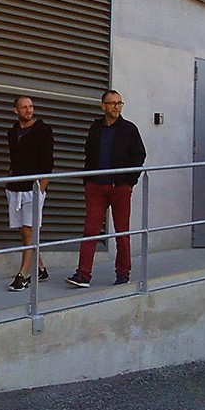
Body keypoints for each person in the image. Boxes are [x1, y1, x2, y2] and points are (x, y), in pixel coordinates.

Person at [67, 89, 146, 288]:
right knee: (90, 230)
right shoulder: (95, 128)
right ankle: (83, 274)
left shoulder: (129, 129)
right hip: (96, 186)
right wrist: (88, 180)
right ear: (103, 106)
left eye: (119, 103)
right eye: (112, 103)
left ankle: (123, 273)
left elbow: (139, 155)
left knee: (122, 232)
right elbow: (89, 154)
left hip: (119, 187)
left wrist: (129, 182)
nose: (116, 107)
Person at [5, 95, 54, 291]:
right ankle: (40, 268)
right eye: (24, 107)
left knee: (29, 231)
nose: (28, 110)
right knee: (22, 231)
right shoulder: (13, 132)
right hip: (14, 187)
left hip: (33, 189)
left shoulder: (42, 131)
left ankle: (23, 275)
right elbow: (14, 158)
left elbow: (48, 163)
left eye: (31, 106)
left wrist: (41, 190)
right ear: (16, 110)